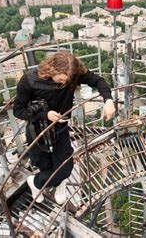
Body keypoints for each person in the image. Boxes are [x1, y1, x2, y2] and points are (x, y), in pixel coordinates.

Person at [13, 51, 115, 204]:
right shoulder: (29, 80)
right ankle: (42, 183)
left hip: (60, 130)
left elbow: (98, 81)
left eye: (67, 81)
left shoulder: (73, 75)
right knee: (45, 165)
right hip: (38, 130)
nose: (63, 83)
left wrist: (108, 100)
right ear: (51, 69)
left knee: (65, 168)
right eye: (60, 79)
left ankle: (37, 183)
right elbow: (18, 110)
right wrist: (45, 115)